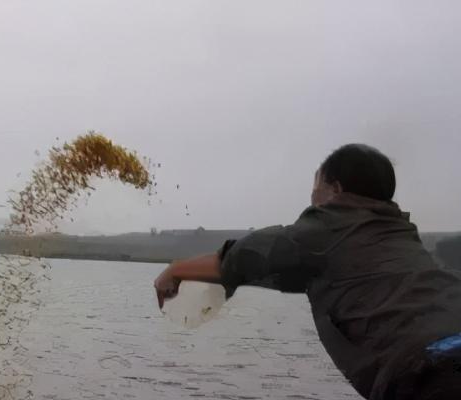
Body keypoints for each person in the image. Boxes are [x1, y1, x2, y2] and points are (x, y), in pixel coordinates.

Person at [154, 144, 461, 400]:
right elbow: (298, 273)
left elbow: (247, 255)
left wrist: (176, 269)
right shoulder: (400, 235)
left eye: (316, 188)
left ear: (335, 191)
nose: (312, 199)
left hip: (429, 372)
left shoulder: (330, 227)